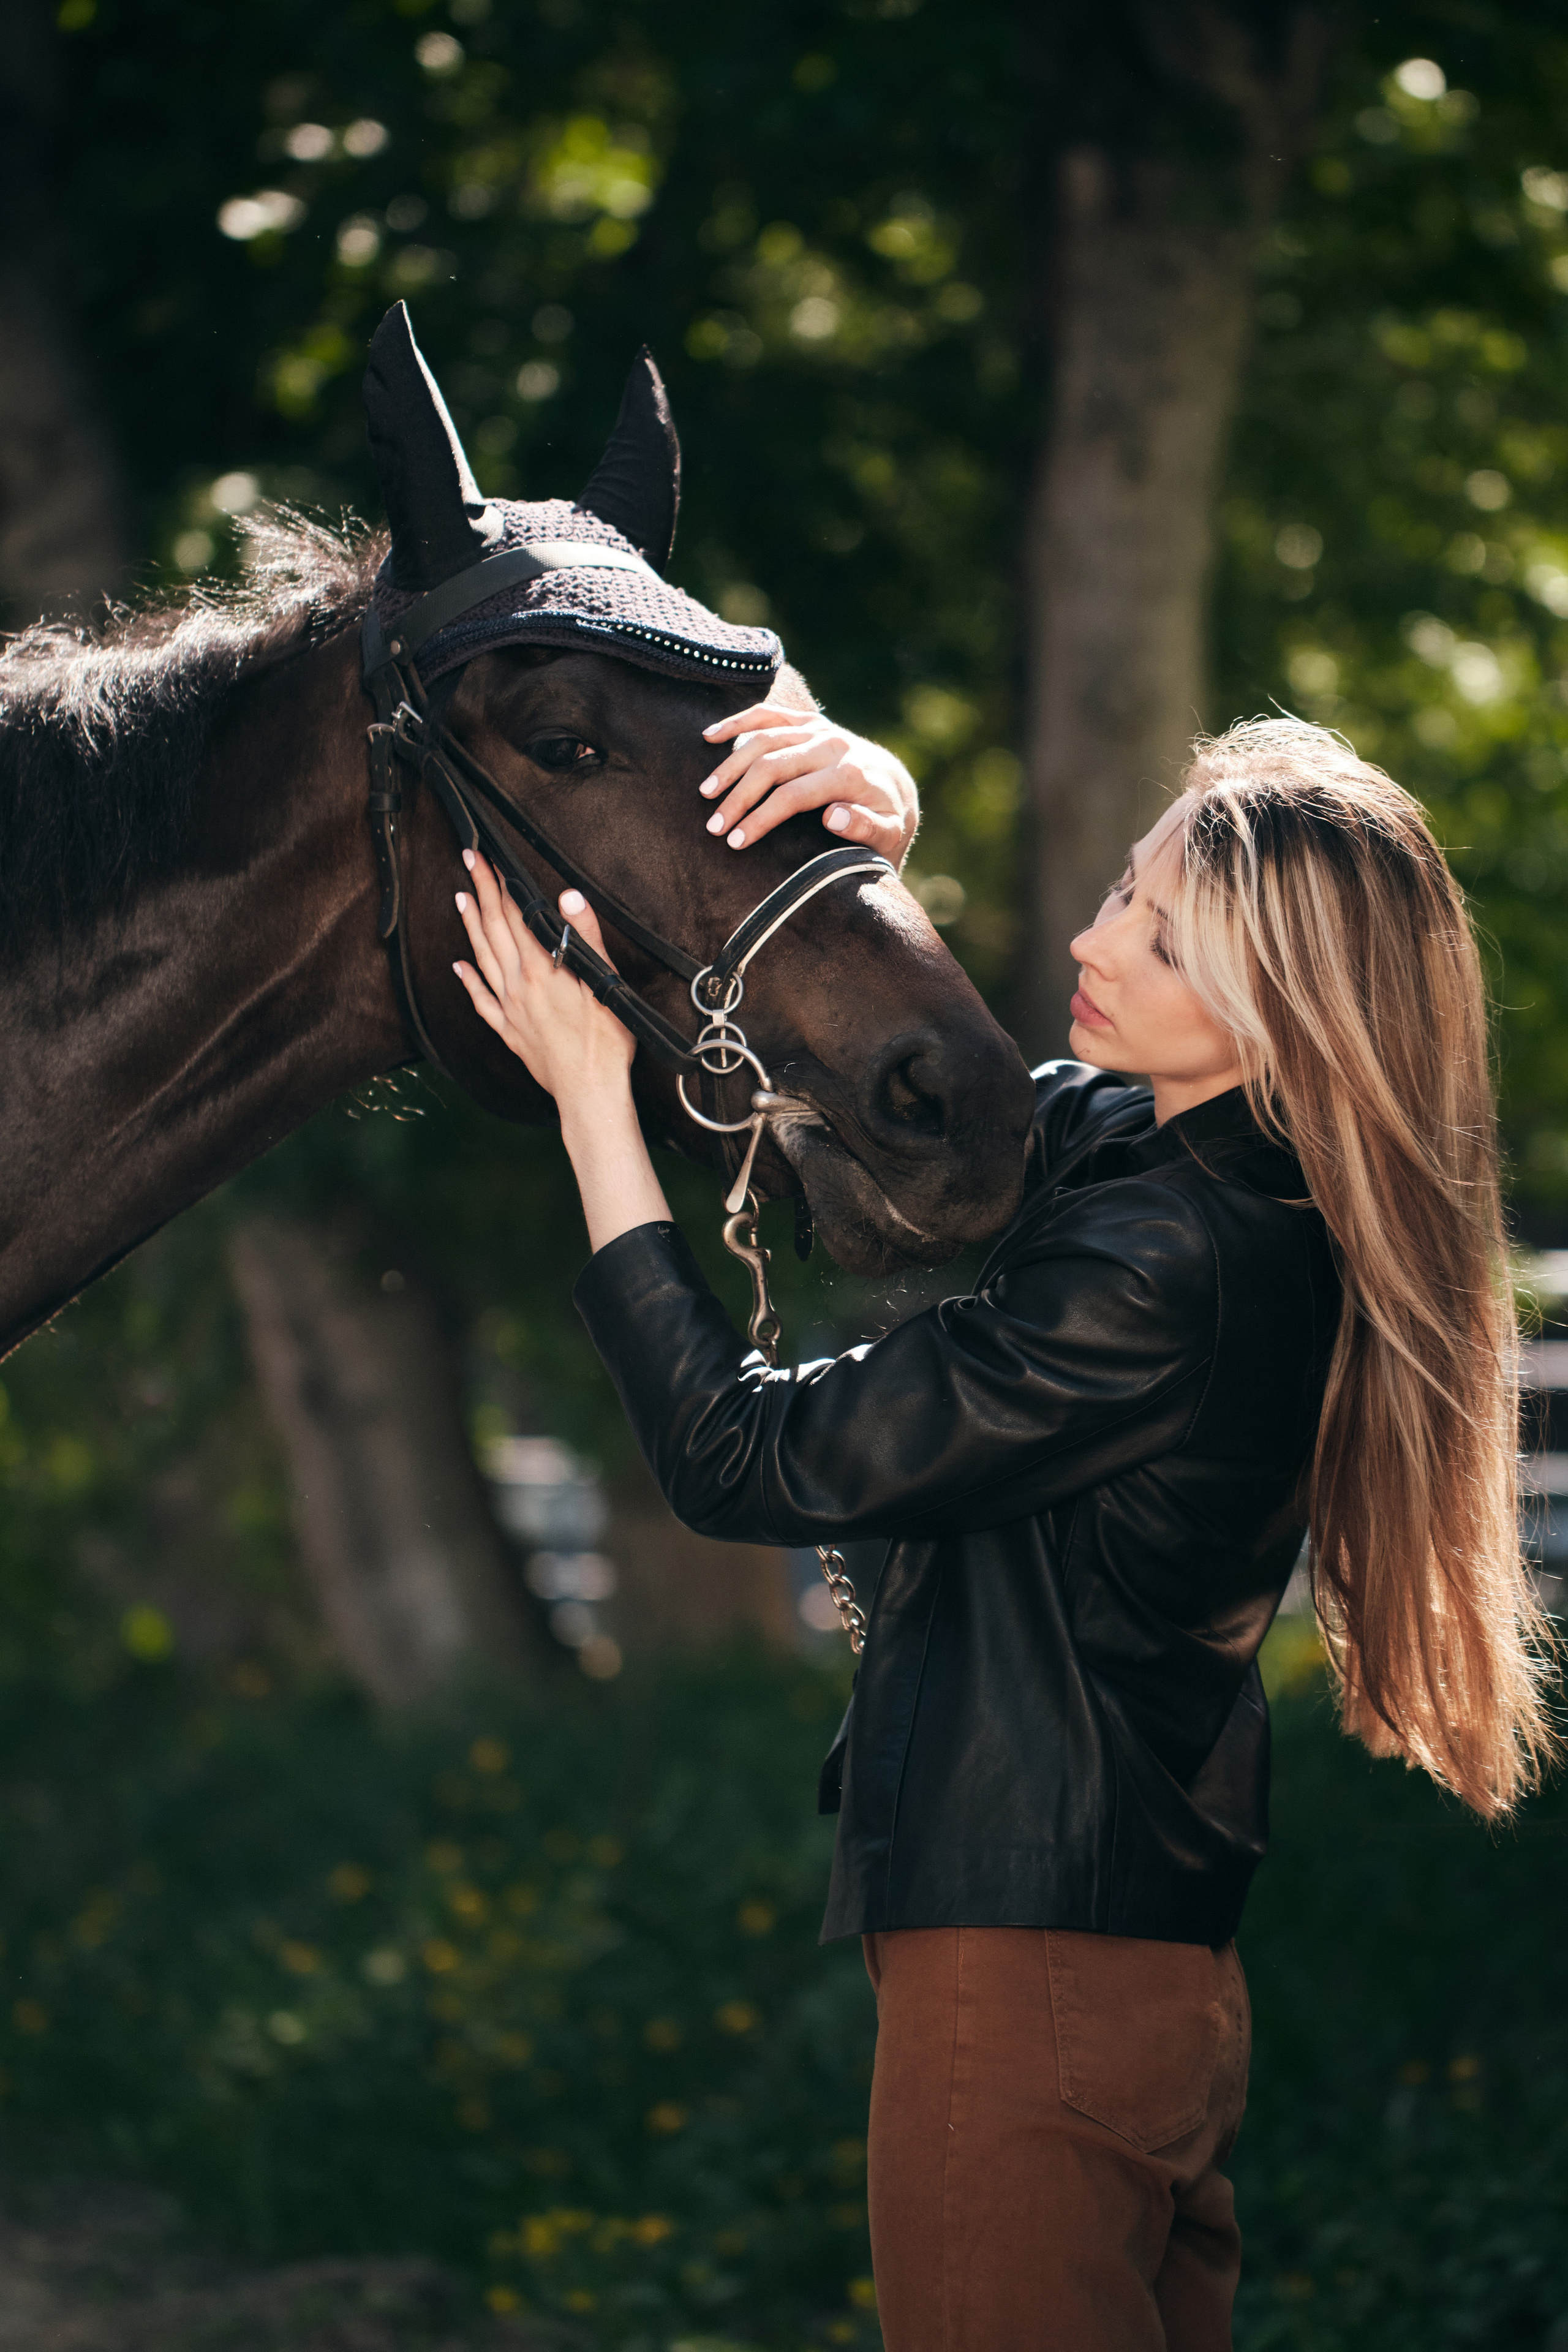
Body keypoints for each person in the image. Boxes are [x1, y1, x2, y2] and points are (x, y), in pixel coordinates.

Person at [450, 708, 1556, 2351]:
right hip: (1121, 1975)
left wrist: (590, 1106)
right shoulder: (1198, 1169)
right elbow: (938, 1126)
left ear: (1276, 1010)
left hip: (1033, 1980)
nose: (1097, 942)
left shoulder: (1170, 1260)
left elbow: (742, 1456)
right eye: (1122, 889)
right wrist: (874, 855)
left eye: (1160, 940)